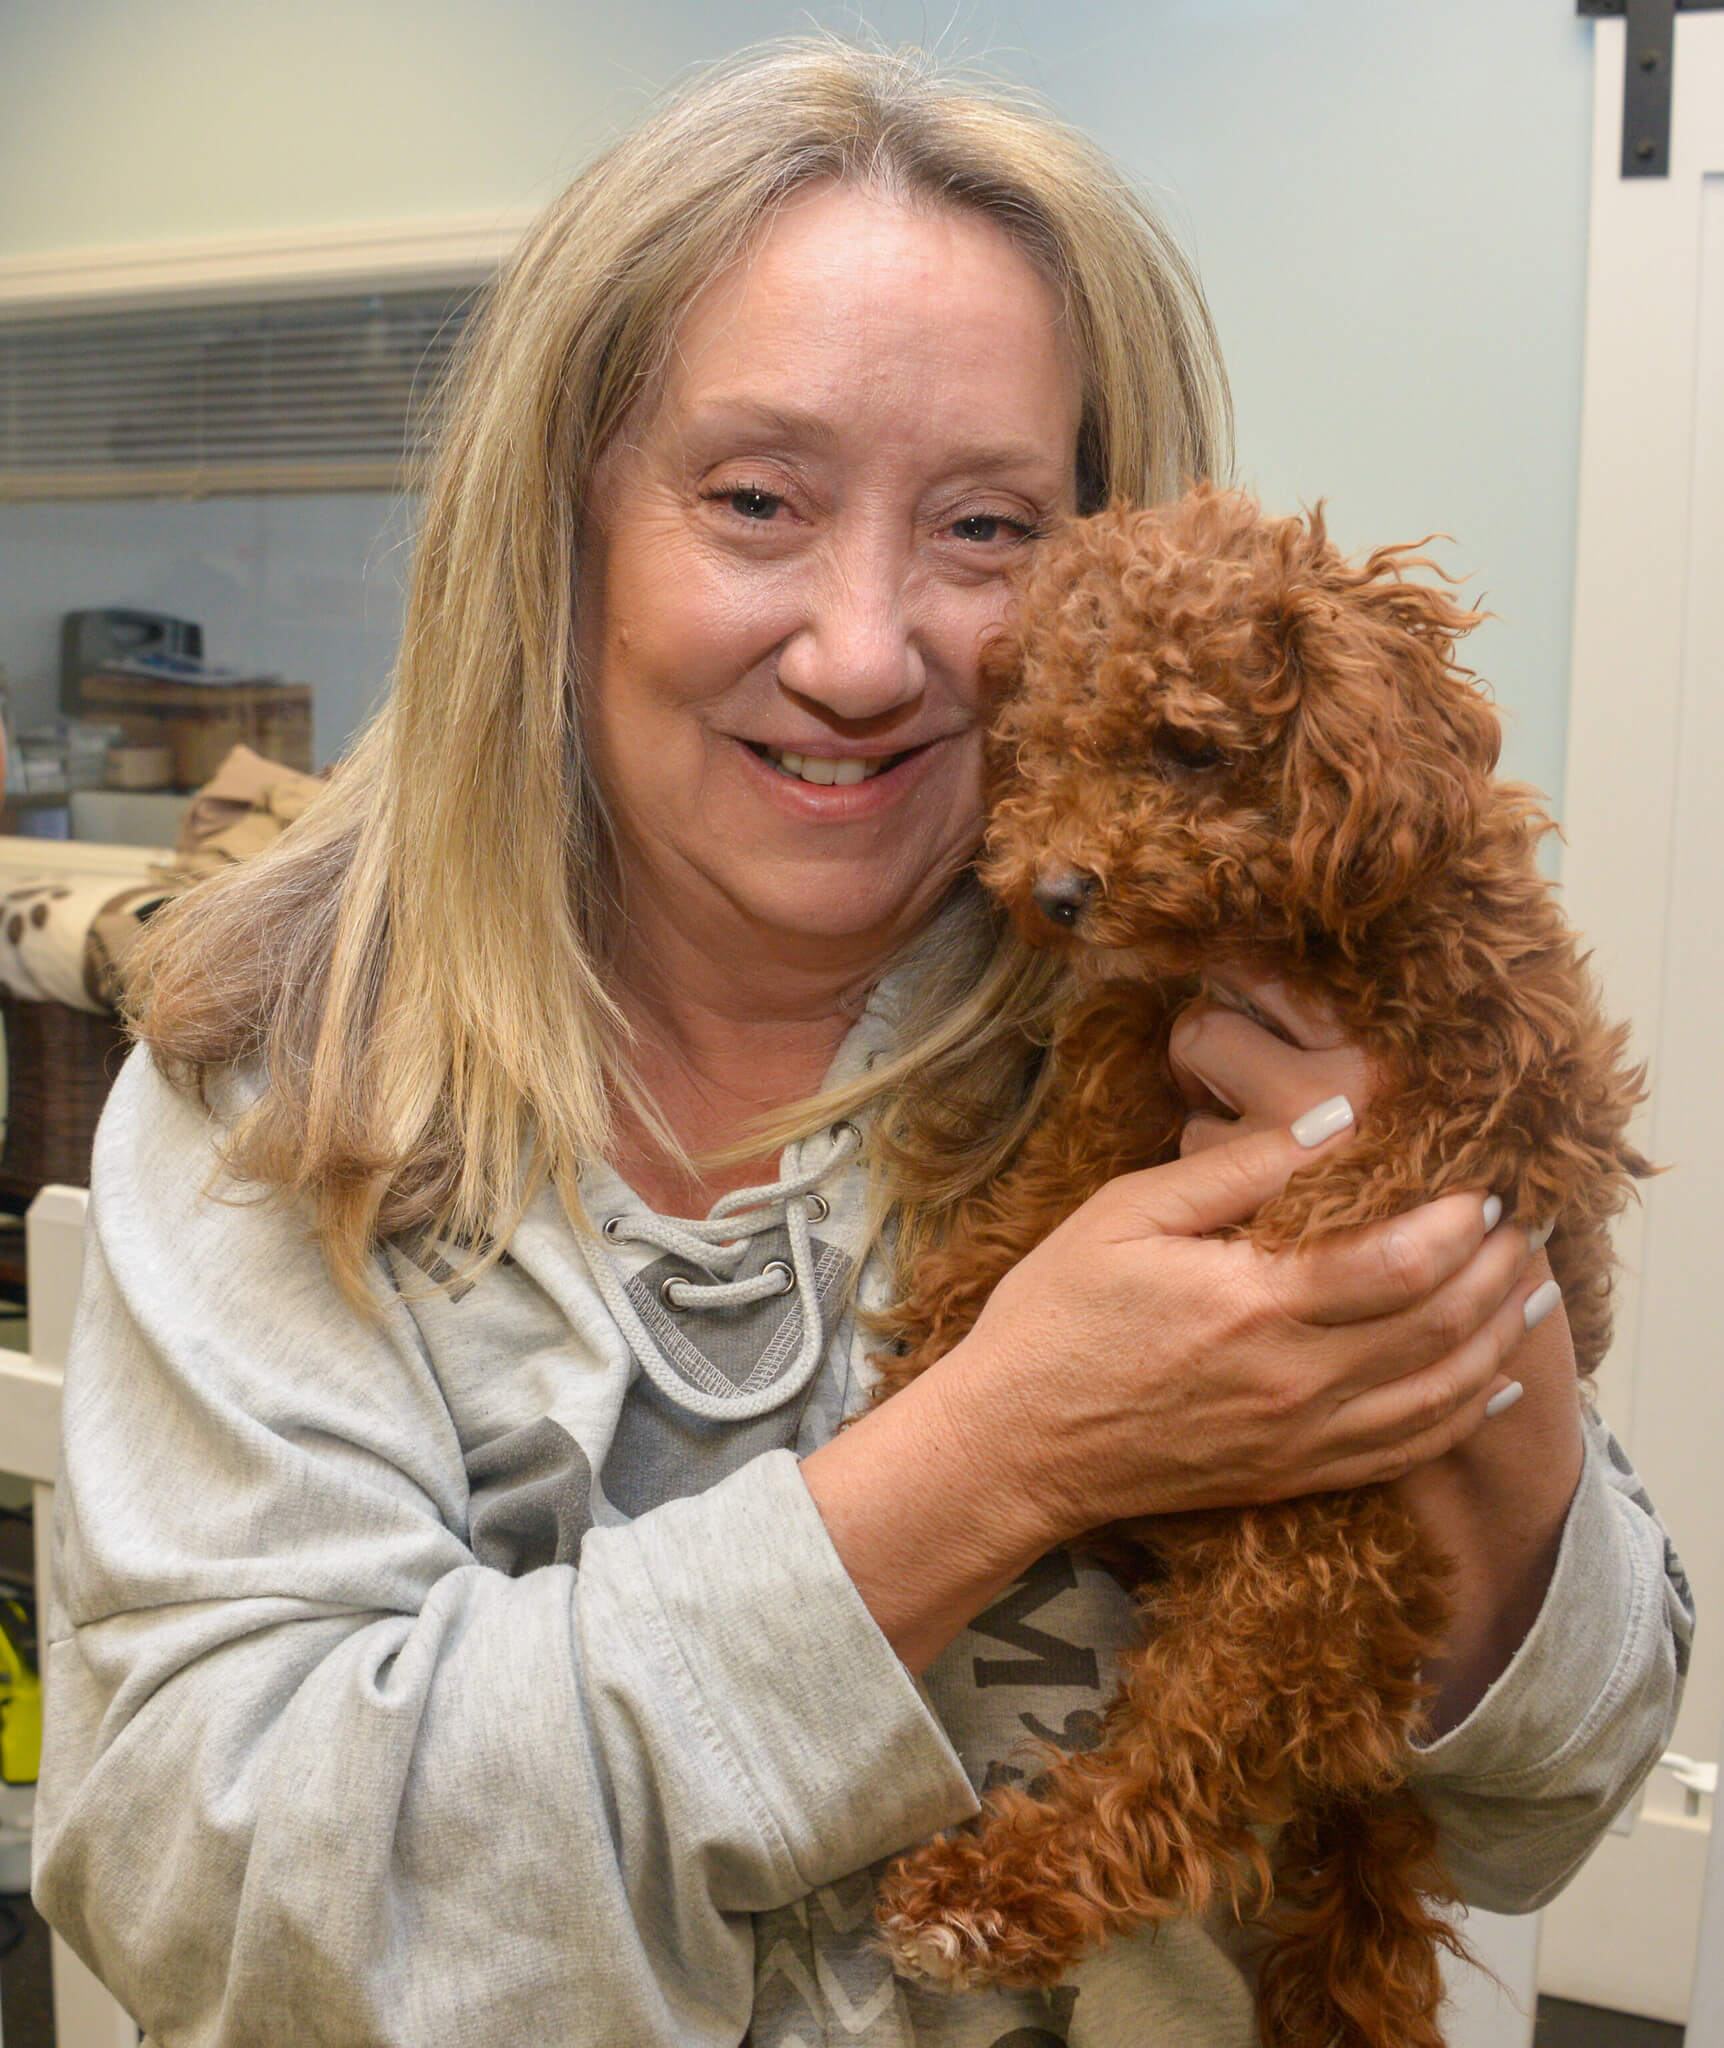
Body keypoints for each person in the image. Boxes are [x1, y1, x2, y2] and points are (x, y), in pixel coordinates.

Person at [33, 39, 1690, 2048]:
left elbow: (1544, 1799)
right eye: (755, 500)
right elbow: (229, 1910)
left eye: (986, 529)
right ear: (561, 530)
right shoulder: (273, 1088)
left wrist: (1469, 1361)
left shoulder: (1219, 1023)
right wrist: (1004, 1447)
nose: (863, 650)